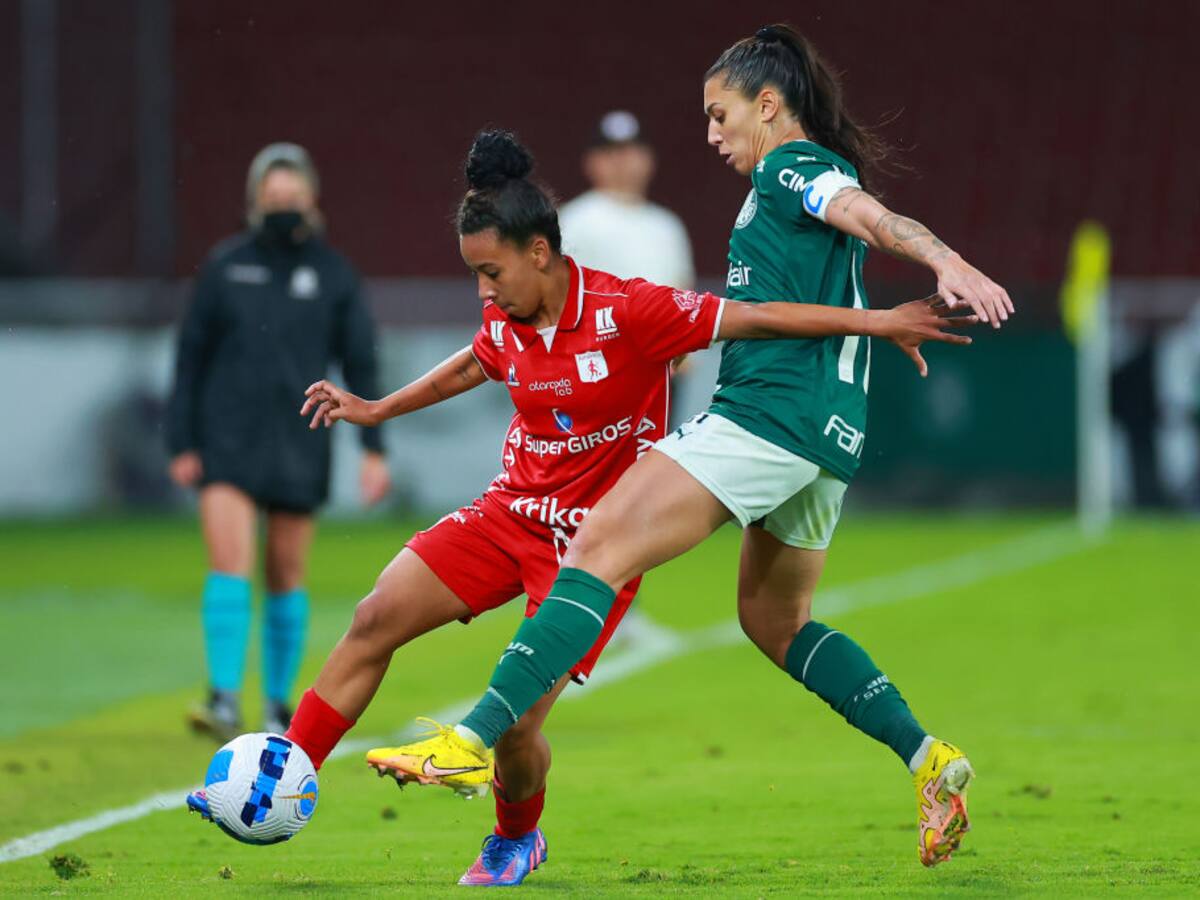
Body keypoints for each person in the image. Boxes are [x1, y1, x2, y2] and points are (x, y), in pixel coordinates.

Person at [184, 129, 975, 886]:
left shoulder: (632, 312)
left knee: (521, 730)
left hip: (589, 550)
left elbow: (757, 317)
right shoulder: (506, 315)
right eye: (474, 277)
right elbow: (472, 364)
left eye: (491, 273)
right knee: (373, 617)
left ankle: (515, 840)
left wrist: (874, 322)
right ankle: (285, 775)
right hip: (509, 513)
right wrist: (376, 409)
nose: (483, 293)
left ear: (541, 253)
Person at [389, 25, 1014, 871]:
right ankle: (927, 757)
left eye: (720, 116)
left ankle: (473, 736)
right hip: (828, 435)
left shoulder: (793, 166)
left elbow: (867, 215)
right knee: (772, 618)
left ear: (768, 105)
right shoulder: (788, 185)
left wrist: (947, 260)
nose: (711, 135)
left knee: (597, 542)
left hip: (767, 415)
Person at [167, 142, 391, 739]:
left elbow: (362, 362)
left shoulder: (334, 273)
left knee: (286, 573)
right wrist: (182, 441)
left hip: (301, 438)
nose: (284, 203)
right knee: (229, 565)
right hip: (227, 438)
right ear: (256, 198)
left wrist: (374, 449)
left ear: (312, 199)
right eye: (274, 194)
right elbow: (190, 357)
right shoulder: (224, 266)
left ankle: (277, 703)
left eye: (294, 194)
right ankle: (222, 698)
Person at [558, 110, 694, 289]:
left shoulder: (667, 225)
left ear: (648, 159)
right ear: (590, 162)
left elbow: (684, 292)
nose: (621, 161)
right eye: (609, 153)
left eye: (630, 151)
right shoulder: (573, 220)